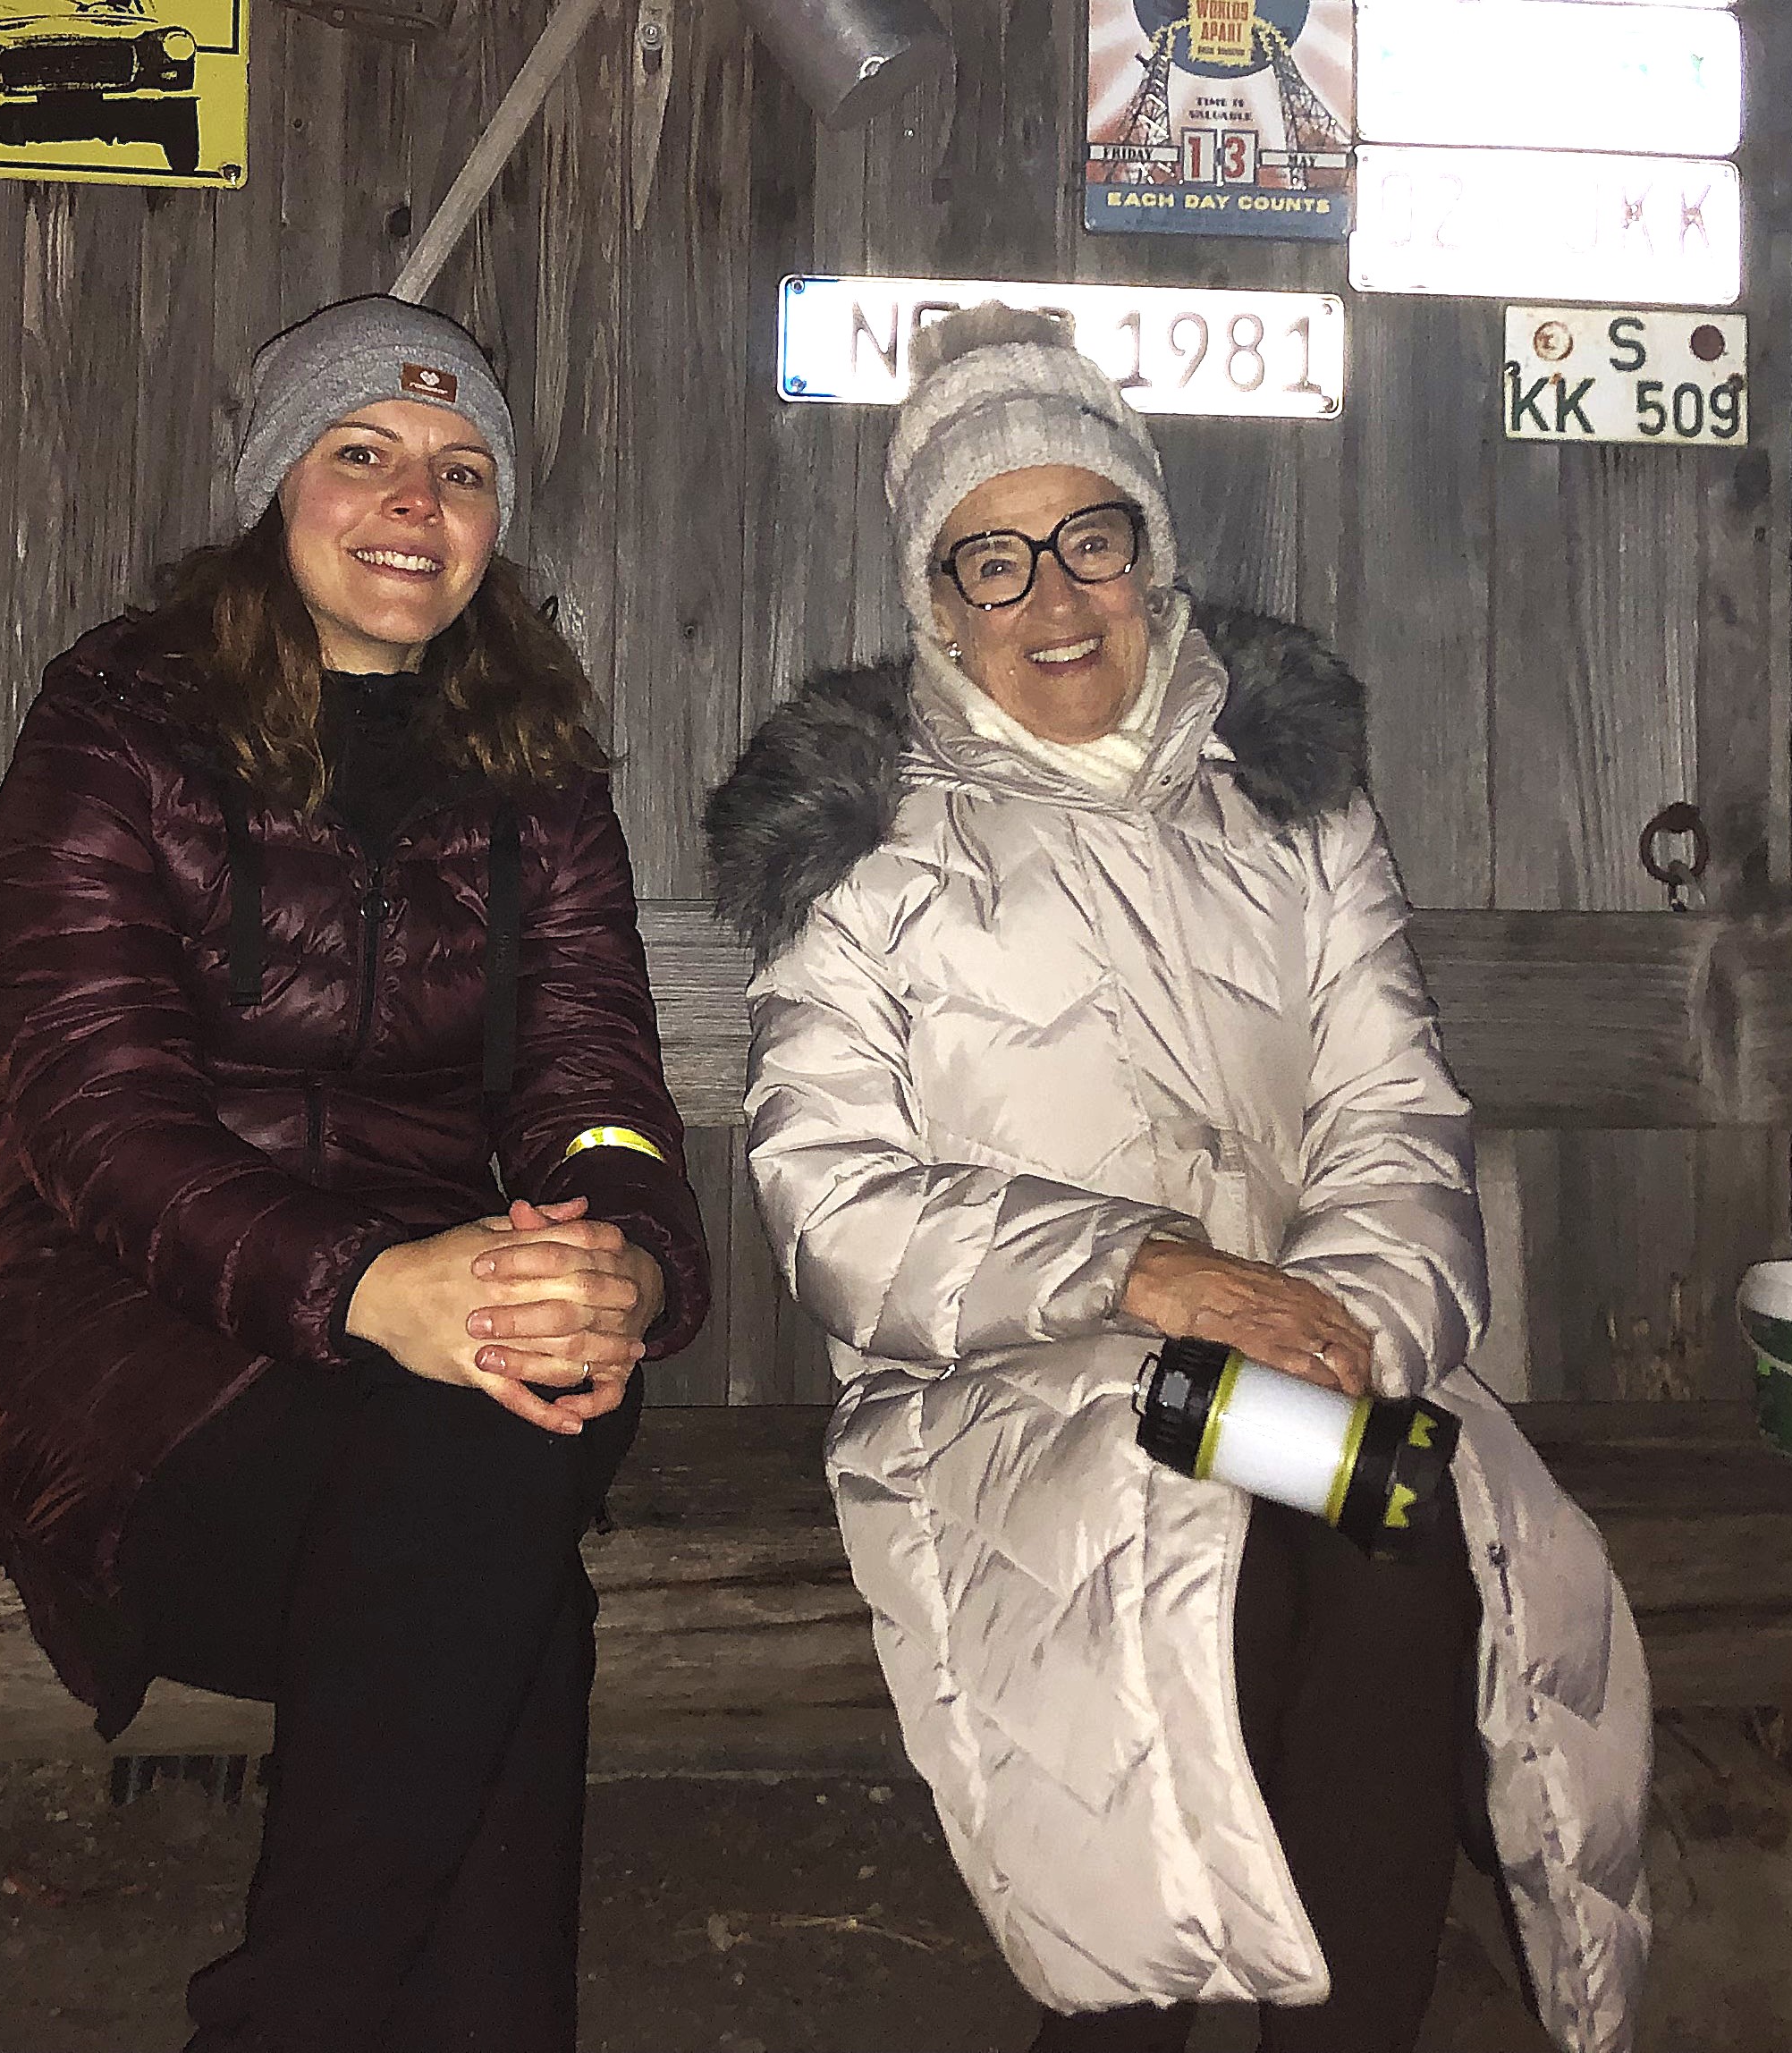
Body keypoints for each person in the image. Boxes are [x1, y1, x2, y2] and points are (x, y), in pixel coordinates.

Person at [702, 306, 1650, 2053]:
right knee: (1246, 1552)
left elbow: (1393, 1109)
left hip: (1296, 1365)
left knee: (1393, 1514)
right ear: (937, 602)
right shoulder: (864, 845)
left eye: (1091, 537)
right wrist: (1147, 1271)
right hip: (1026, 1385)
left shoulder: (1293, 806)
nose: (1054, 597)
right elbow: (836, 1203)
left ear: (1151, 553)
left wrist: (1347, 1318)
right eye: (993, 558)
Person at [0, 293, 712, 2053]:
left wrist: (628, 1262)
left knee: (491, 1437)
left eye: (461, 470)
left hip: (451, 1339)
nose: (414, 504)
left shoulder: (535, 768)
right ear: (276, 487)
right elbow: (91, 1117)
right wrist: (372, 1286)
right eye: (363, 452)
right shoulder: (122, 723)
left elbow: (596, 1087)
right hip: (130, 1348)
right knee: (505, 1551)